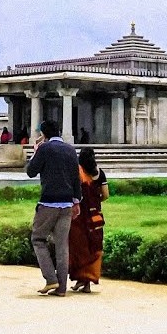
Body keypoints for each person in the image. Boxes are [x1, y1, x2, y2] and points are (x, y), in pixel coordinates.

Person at [26, 119, 82, 296]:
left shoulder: (44, 148)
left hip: (48, 202)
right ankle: (62, 288)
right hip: (67, 203)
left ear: (43, 134)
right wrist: (77, 201)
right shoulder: (70, 149)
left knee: (38, 239)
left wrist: (36, 151)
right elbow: (76, 178)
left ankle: (51, 279)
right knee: (62, 245)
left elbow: (30, 171)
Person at [69, 147, 108, 293]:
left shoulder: (77, 172)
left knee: (79, 248)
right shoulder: (99, 173)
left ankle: (82, 279)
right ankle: (87, 281)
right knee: (94, 247)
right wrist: (95, 202)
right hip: (95, 216)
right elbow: (106, 195)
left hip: (79, 216)